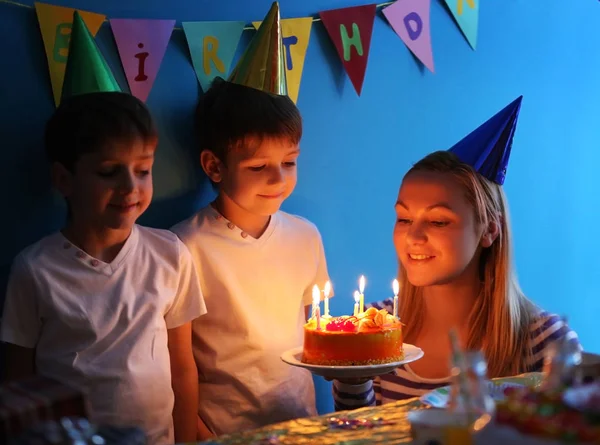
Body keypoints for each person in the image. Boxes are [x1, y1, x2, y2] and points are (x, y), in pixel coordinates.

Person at [0, 12, 205, 444]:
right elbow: (18, 382)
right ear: (63, 179)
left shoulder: (170, 254)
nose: (130, 187)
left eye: (143, 170)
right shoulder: (35, 270)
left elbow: (182, 365)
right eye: (109, 172)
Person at [332, 96, 580, 410]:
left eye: (438, 221)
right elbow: (356, 435)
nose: (414, 236)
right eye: (404, 218)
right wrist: (353, 379)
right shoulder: (371, 330)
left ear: (489, 230)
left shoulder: (547, 343)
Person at [171, 2, 331, 438]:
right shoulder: (184, 248)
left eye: (290, 162)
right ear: (215, 166)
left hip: (302, 427)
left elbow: (317, 345)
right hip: (225, 433)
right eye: (259, 167)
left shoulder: (305, 237)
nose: (278, 179)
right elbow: (176, 363)